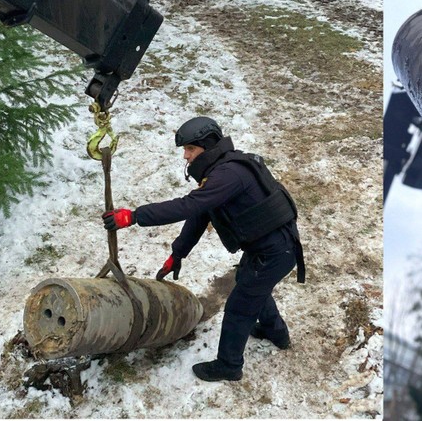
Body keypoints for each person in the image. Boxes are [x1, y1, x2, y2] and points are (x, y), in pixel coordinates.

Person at [102, 116, 305, 382]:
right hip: (269, 248)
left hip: (275, 252)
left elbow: (187, 206)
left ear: (207, 146)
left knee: (240, 307)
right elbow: (200, 215)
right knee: (250, 283)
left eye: (190, 149)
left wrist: (134, 216)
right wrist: (178, 254)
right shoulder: (221, 171)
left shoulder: (229, 175)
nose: (186, 157)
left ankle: (229, 365)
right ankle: (275, 331)